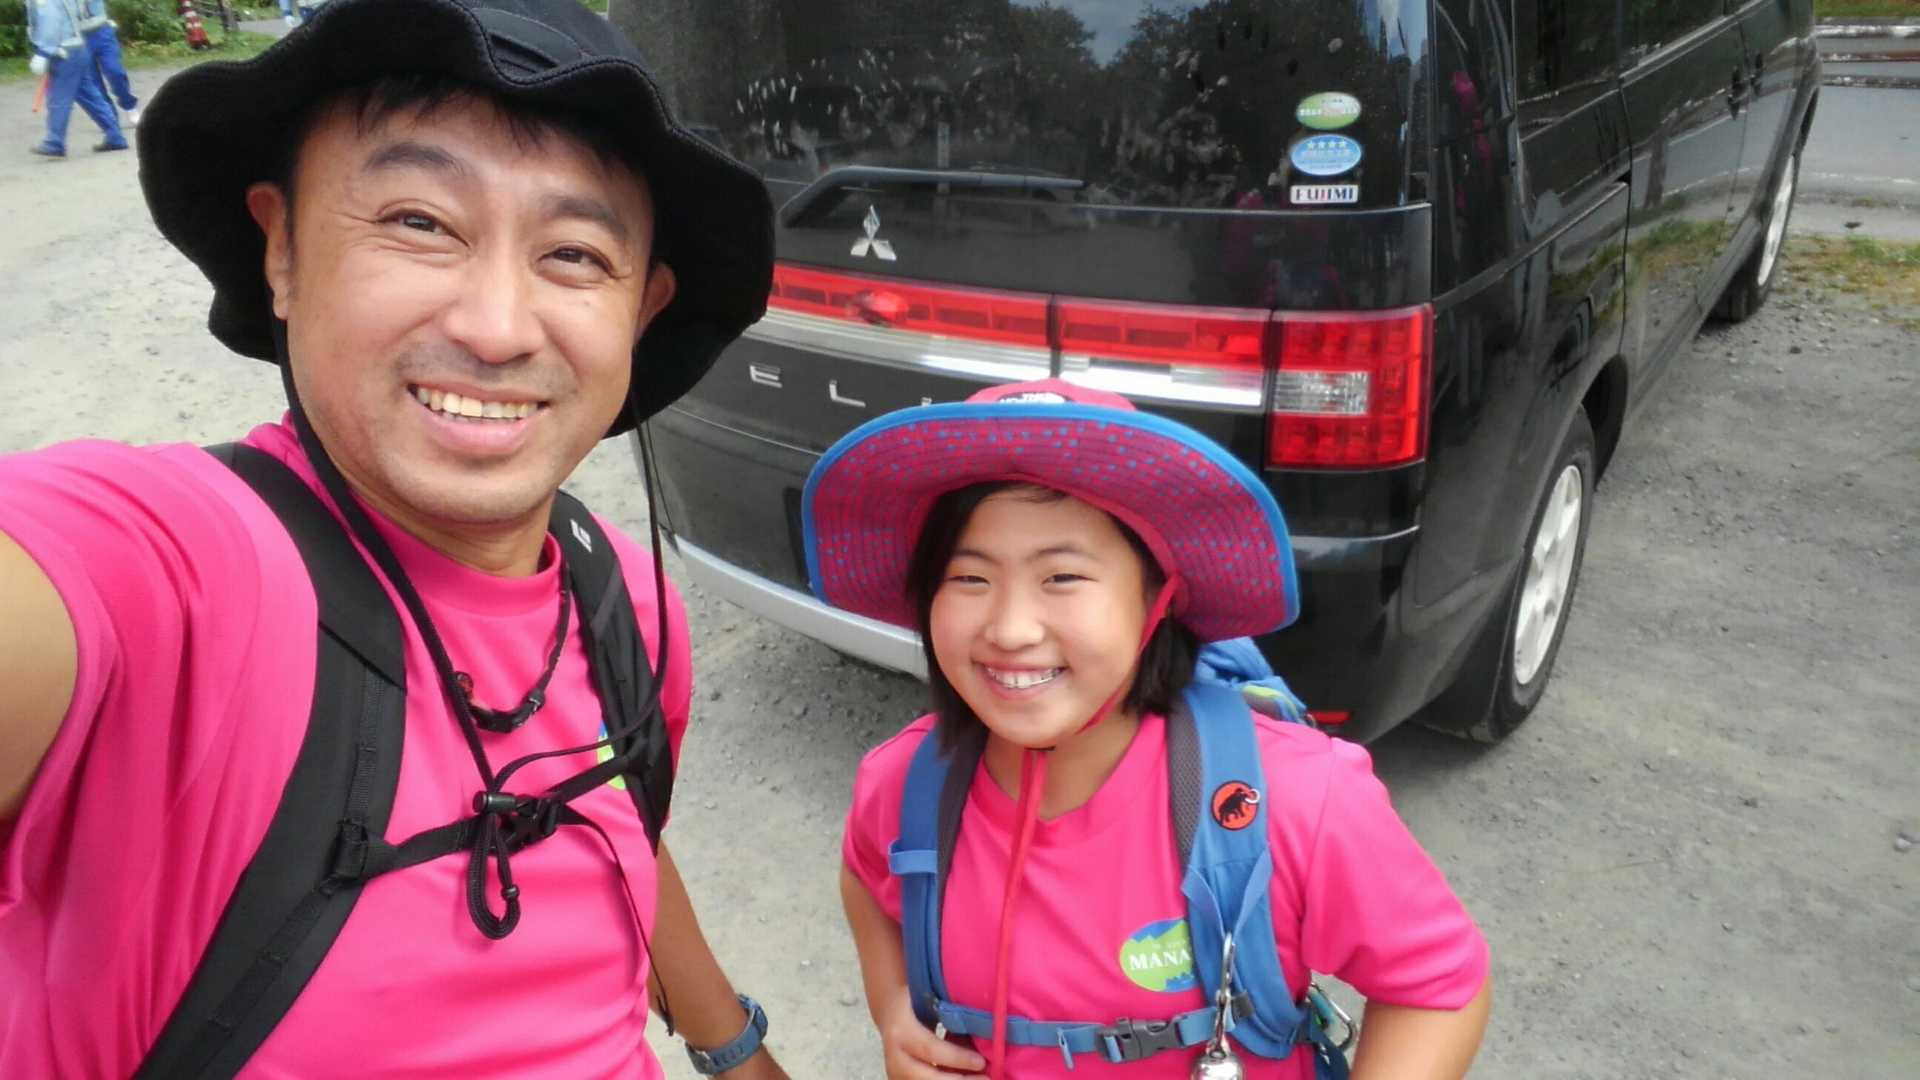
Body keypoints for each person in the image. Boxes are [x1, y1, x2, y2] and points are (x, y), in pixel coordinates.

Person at [0, 1, 785, 1076]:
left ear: (641, 311)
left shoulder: (624, 605)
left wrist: (734, 1047)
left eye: (573, 252)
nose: (497, 327)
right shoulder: (178, 578)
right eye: (419, 221)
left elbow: (617, 831)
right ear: (282, 249)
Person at [812, 379, 1493, 1078]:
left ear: (1159, 597)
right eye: (968, 579)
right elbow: (865, 875)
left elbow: (1437, 985)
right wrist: (893, 1006)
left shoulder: (1295, 798)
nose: (1010, 629)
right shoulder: (903, 787)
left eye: (1063, 577)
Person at [23, 0, 127, 157]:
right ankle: (115, 136)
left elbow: (50, 20)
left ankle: (55, 142)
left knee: (59, 98)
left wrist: (44, 52)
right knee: (90, 97)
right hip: (76, 47)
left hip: (63, 50)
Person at [76, 0, 139, 126]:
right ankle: (110, 115)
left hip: (102, 31)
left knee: (115, 71)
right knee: (94, 81)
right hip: (80, 38)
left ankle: (129, 105)